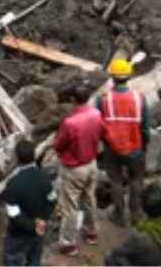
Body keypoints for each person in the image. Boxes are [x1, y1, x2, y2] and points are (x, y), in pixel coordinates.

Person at [53, 81, 102, 255]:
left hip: (74, 168)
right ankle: (92, 232)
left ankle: (68, 243)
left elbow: (58, 145)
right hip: (91, 163)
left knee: (70, 207)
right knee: (89, 198)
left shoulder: (70, 123)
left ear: (73, 99)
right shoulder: (97, 114)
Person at [100, 58, 150, 227]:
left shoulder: (104, 99)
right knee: (137, 180)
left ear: (112, 76)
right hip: (135, 147)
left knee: (116, 181)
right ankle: (135, 214)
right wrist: (145, 144)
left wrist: (105, 142)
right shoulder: (139, 98)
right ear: (129, 76)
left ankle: (119, 215)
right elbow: (145, 126)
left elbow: (100, 124)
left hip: (112, 147)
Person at [0, 139, 56, 267]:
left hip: (18, 233)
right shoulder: (44, 178)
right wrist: (42, 220)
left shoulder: (13, 185)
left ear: (17, 158)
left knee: (12, 259)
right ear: (33, 156)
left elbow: (14, 214)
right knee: (34, 258)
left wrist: (31, 225)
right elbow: (52, 200)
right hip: (40, 229)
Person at [105, 185, 161, 266]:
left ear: (143, 208)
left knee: (113, 258)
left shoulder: (141, 237)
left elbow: (117, 255)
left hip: (150, 259)